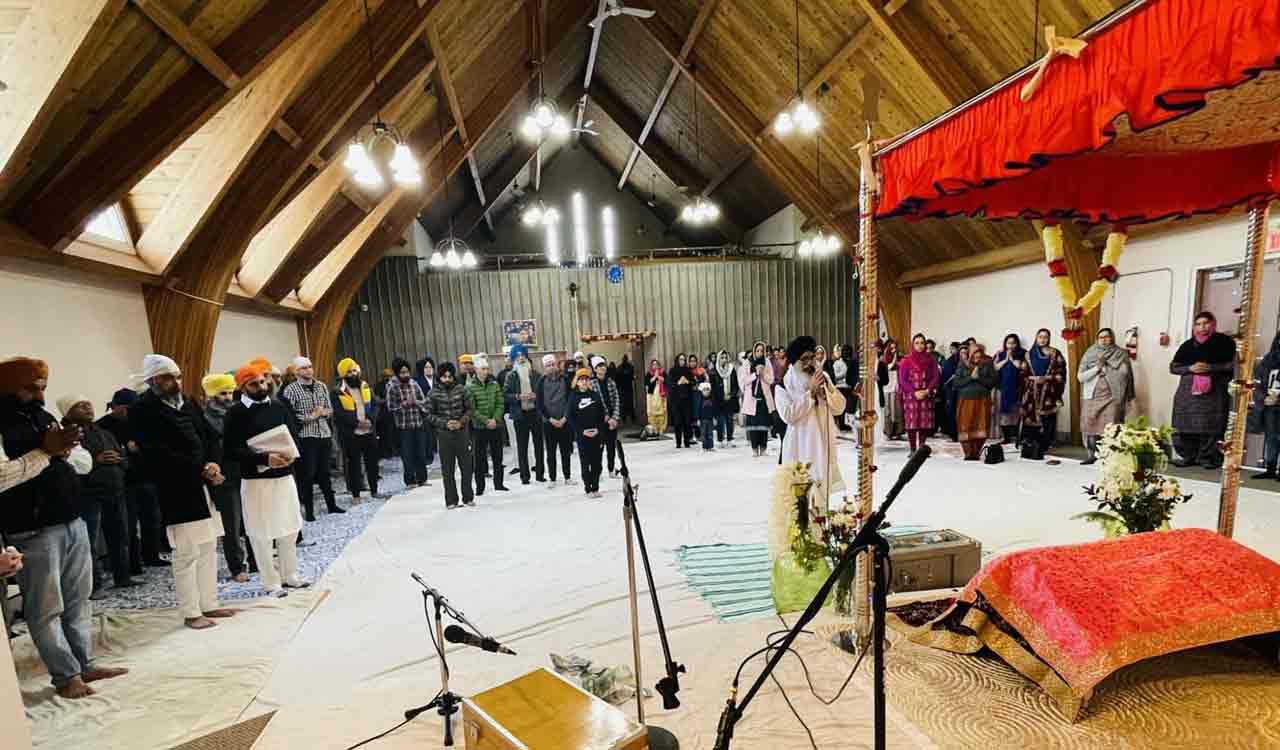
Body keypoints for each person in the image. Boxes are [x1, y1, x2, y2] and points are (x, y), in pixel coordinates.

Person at [0, 357, 128, 698]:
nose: (40, 394)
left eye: (43, 387)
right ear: (9, 387)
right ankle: (65, 676)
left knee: (78, 599)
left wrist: (68, 449)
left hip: (72, 518)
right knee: (46, 608)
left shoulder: (44, 416)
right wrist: (45, 452)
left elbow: (77, 462)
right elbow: (1, 477)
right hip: (32, 528)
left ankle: (85, 664)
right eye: (31, 388)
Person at [130, 355, 236, 629]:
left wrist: (213, 463)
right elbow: (156, 453)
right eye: (168, 378)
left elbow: (209, 436)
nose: (175, 382)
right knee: (187, 552)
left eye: (177, 376)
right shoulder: (142, 409)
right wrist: (199, 468)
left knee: (209, 546)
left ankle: (209, 603)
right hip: (177, 489)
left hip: (204, 486)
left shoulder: (187, 402)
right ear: (153, 380)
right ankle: (191, 612)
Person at [225, 363, 308, 595]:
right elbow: (232, 451)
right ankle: (271, 582)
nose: (261, 386)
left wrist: (291, 455)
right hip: (256, 481)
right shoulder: (235, 413)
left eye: (263, 381)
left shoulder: (279, 406)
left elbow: (293, 435)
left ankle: (289, 575)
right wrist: (264, 458)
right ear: (243, 387)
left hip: (283, 475)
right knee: (261, 534)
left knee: (290, 526)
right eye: (254, 384)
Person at [57, 395, 138, 593]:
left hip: (115, 491)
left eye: (89, 404)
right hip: (88, 495)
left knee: (120, 536)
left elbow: (125, 460)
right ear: (68, 413)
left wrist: (119, 458)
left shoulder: (104, 432)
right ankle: (93, 586)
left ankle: (123, 577)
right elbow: (71, 465)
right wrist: (97, 459)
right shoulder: (65, 435)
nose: (88, 408)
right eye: (81, 406)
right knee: (89, 543)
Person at [97, 388, 167, 571]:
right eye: (125, 408)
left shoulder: (142, 422)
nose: (128, 412)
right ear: (115, 407)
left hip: (146, 477)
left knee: (151, 519)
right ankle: (132, 563)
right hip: (123, 482)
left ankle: (152, 555)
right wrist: (126, 453)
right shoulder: (102, 426)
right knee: (127, 525)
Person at [775, 336, 847, 499]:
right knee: (801, 502)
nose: (809, 363)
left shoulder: (824, 378)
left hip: (823, 446)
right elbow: (788, 415)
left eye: (811, 357)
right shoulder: (782, 385)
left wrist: (827, 390)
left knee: (821, 498)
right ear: (793, 362)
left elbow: (840, 408)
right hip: (799, 448)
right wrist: (811, 394)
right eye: (804, 359)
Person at [1170, 312, 1236, 469]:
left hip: (1214, 392)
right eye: (1198, 324)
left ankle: (1208, 458)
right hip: (1188, 393)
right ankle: (1188, 456)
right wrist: (1190, 367)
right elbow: (1173, 367)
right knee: (1185, 425)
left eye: (1206, 323)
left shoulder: (1225, 343)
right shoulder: (1187, 345)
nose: (1202, 327)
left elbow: (1233, 365)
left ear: (1213, 324)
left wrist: (1210, 367)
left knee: (1211, 426)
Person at [281, 356, 344, 519]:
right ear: (296, 371)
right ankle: (309, 512)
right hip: (306, 437)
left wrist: (322, 413)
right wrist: (312, 416)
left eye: (310, 366)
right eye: (304, 368)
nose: (308, 370)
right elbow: (291, 416)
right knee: (307, 474)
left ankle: (332, 505)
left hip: (324, 434)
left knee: (325, 472)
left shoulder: (321, 386)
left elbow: (329, 410)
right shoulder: (291, 390)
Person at [200, 374, 249, 582]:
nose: (228, 397)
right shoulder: (204, 418)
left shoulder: (240, 412)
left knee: (251, 520)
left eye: (230, 392)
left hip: (245, 471)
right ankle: (237, 567)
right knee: (232, 524)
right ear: (212, 394)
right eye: (223, 393)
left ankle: (256, 561)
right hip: (223, 476)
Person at [1077, 328, 1136, 465]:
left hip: (1112, 396)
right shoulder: (1090, 353)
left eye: (1107, 336)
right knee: (1090, 425)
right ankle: (1092, 455)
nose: (1103, 339)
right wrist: (1097, 368)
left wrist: (1107, 370)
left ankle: (1110, 457)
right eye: (1101, 337)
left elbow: (1124, 374)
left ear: (1112, 338)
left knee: (1111, 426)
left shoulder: (1120, 354)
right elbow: (1080, 377)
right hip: (1092, 396)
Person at [332, 358, 388, 501]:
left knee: (372, 463)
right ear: (343, 374)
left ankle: (374, 491)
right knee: (354, 465)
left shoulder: (365, 387)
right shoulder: (338, 391)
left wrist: (370, 420)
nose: (353, 374)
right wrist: (357, 423)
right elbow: (339, 414)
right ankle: (356, 495)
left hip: (369, 431)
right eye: (349, 372)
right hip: (352, 434)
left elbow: (375, 405)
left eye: (354, 371)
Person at [428, 362, 474, 508]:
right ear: (439, 377)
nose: (447, 379)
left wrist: (461, 422)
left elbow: (470, 409)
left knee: (466, 467)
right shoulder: (433, 393)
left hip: (461, 433)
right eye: (444, 377)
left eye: (450, 376)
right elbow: (429, 414)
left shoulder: (462, 390)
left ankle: (468, 498)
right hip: (444, 435)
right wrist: (444, 424)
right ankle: (451, 500)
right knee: (447, 470)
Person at [386, 356, 431, 489]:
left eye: (407, 372)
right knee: (407, 455)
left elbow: (424, 401)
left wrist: (416, 403)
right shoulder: (392, 387)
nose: (405, 375)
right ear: (397, 373)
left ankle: (422, 479)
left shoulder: (414, 383)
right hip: (403, 427)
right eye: (402, 373)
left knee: (421, 453)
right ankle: (410, 481)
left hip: (417, 423)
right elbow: (390, 407)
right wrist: (405, 404)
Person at [1021, 329, 1067, 457]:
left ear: (1049, 338)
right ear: (1036, 338)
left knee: (1047, 418)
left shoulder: (1055, 353)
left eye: (1045, 337)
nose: (1043, 339)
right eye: (1040, 337)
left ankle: (1046, 443)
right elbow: (1023, 373)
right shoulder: (1029, 355)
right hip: (1032, 391)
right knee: (1030, 417)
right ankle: (1031, 443)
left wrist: (1047, 378)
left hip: (1049, 391)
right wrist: (1033, 379)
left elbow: (1061, 371)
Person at [503, 347, 545, 484]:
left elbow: (543, 394)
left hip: (535, 413)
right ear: (514, 359)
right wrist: (518, 396)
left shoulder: (536, 374)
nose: (521, 358)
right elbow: (505, 395)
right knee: (522, 446)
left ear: (527, 357)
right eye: (517, 356)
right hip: (520, 415)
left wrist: (536, 396)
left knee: (539, 445)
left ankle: (540, 474)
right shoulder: (511, 375)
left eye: (523, 355)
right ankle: (524, 477)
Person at [466, 356, 507, 495]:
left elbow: (500, 403)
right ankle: (480, 487)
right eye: (483, 369)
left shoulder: (494, 385)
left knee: (498, 456)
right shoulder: (470, 387)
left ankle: (499, 484)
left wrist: (495, 419)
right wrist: (485, 421)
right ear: (476, 370)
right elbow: (471, 409)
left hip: (496, 426)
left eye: (487, 368)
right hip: (479, 428)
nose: (486, 371)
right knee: (479, 458)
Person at [952, 344, 998, 460]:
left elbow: (992, 382)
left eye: (979, 355)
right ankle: (968, 453)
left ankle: (976, 452)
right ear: (970, 354)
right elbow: (956, 383)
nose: (977, 358)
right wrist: (970, 378)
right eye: (975, 355)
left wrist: (979, 378)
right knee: (965, 426)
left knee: (981, 425)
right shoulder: (963, 364)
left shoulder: (988, 363)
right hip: (965, 400)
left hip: (982, 400)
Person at [568, 367, 607, 499]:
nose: (584, 382)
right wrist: (581, 431)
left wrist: (598, 429)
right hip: (582, 436)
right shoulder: (573, 397)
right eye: (581, 379)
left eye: (586, 379)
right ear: (577, 382)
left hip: (596, 434)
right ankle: (588, 488)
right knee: (586, 463)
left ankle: (596, 487)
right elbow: (570, 417)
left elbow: (602, 415)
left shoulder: (594, 395)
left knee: (597, 463)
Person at [897, 334, 941, 451]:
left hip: (926, 395)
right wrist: (913, 392)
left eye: (922, 343)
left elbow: (935, 377)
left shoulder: (931, 360)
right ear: (913, 344)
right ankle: (912, 449)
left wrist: (927, 390)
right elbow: (902, 379)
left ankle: (921, 448)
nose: (920, 345)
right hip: (911, 396)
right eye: (917, 343)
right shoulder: (906, 360)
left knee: (924, 423)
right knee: (912, 423)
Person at [537, 355, 575, 485]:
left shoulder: (565, 379)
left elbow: (571, 400)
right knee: (551, 453)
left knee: (565, 451)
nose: (551, 367)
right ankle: (552, 478)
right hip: (549, 423)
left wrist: (565, 418)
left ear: (556, 365)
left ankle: (567, 477)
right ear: (544, 367)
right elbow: (540, 404)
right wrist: (550, 419)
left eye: (553, 364)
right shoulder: (541, 382)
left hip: (564, 422)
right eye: (548, 365)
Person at [1249, 332, 1280, 481]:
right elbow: (1257, 381)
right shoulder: (1269, 359)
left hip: (1277, 403)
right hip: (1269, 407)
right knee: (1271, 438)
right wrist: (1264, 398)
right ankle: (1271, 469)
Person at [740, 342, 777, 457]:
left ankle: (764, 448)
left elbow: (771, 380)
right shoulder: (747, 363)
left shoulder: (767, 362)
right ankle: (754, 449)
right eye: (758, 351)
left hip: (764, 398)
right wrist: (755, 374)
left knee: (763, 425)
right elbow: (745, 380)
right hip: (752, 399)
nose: (760, 353)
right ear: (754, 351)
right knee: (753, 427)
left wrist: (763, 374)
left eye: (762, 351)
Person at [993, 334, 1028, 445]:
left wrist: (1012, 358)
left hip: (1017, 388)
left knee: (1016, 412)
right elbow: (995, 367)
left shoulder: (1022, 353)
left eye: (1013, 343)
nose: (1011, 345)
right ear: (1005, 343)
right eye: (1008, 343)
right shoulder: (1000, 353)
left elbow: (1021, 366)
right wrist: (1006, 359)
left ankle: (1018, 437)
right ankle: (1006, 437)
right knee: (1004, 414)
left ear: (1017, 343)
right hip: (1002, 388)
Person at [591, 356, 622, 476]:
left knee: (611, 446)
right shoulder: (592, 383)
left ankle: (611, 469)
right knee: (599, 447)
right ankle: (597, 471)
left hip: (612, 420)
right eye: (599, 366)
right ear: (595, 369)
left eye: (603, 365)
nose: (602, 368)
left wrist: (614, 418)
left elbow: (617, 400)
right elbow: (596, 402)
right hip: (600, 420)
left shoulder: (611, 382)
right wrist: (607, 417)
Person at [709, 350, 740, 448]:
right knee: (720, 421)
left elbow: (735, 384)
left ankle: (730, 439)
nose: (724, 360)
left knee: (729, 420)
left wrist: (732, 395)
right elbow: (713, 388)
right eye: (722, 358)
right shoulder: (714, 371)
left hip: (730, 399)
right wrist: (720, 397)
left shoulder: (732, 369)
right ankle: (720, 440)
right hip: (719, 400)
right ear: (718, 359)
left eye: (725, 357)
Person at [666, 354, 694, 449]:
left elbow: (693, 382)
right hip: (676, 401)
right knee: (678, 422)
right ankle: (678, 442)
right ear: (677, 360)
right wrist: (678, 383)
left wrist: (687, 382)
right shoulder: (673, 371)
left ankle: (687, 441)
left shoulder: (688, 371)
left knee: (687, 421)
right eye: (680, 359)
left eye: (683, 360)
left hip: (687, 400)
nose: (682, 361)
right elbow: (669, 384)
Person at [878, 339, 903, 440]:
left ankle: (898, 431)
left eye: (895, 348)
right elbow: (890, 366)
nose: (893, 350)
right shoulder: (883, 360)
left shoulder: (900, 358)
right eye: (891, 348)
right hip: (886, 388)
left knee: (897, 410)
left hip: (896, 387)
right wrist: (895, 358)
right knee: (888, 411)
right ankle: (888, 432)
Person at [374, 367, 397, 460]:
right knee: (385, 434)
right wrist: (386, 400)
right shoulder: (379, 386)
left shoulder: (396, 384)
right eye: (386, 376)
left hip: (394, 413)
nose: (388, 378)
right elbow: (377, 400)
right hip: (384, 414)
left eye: (390, 376)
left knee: (394, 433)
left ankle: (395, 450)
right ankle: (386, 452)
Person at [833, 343, 855, 433]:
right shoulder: (837, 363)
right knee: (840, 407)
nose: (847, 353)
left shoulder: (852, 362)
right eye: (845, 351)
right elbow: (834, 376)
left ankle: (845, 424)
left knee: (848, 407)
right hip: (840, 387)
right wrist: (844, 374)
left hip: (849, 387)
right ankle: (840, 424)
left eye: (848, 351)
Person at [644, 360, 668, 436]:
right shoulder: (649, 373)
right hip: (652, 395)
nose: (655, 366)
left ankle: (661, 428)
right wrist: (655, 376)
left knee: (662, 412)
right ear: (651, 366)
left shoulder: (663, 372)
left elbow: (666, 381)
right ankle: (654, 429)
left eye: (656, 364)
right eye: (653, 364)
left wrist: (659, 377)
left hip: (661, 395)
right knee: (652, 412)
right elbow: (647, 383)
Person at [697, 381, 718, 451]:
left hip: (710, 419)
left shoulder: (712, 399)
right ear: (702, 391)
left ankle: (710, 446)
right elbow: (698, 410)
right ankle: (704, 447)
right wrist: (698, 419)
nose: (706, 392)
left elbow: (714, 409)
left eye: (707, 390)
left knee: (710, 434)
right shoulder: (700, 400)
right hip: (703, 420)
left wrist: (715, 418)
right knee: (703, 434)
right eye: (704, 390)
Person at [616, 354, 637, 423]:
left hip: (622, 388)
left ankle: (624, 418)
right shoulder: (630, 367)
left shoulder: (619, 367)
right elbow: (632, 376)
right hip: (628, 387)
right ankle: (632, 418)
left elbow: (617, 378)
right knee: (630, 402)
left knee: (624, 403)